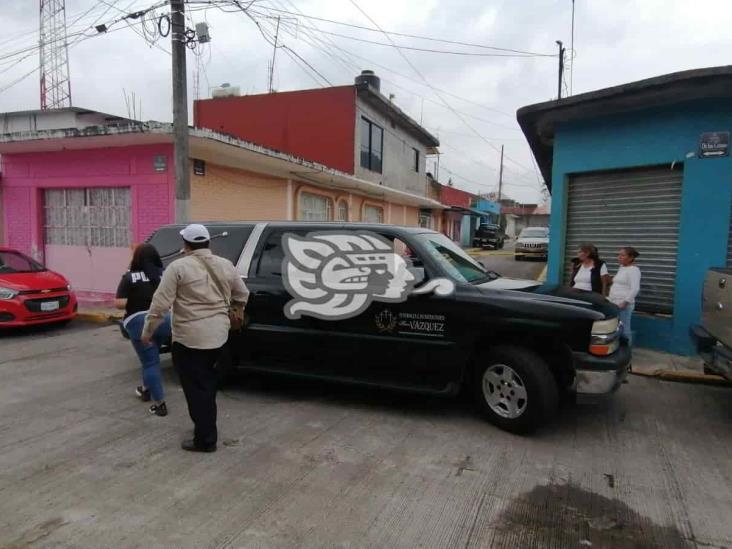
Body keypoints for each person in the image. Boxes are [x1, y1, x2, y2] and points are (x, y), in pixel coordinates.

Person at [142, 224, 249, 453]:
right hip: (219, 336)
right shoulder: (226, 265)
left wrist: (148, 332)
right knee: (207, 385)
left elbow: (160, 305)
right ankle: (206, 429)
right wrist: (234, 310)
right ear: (208, 242)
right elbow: (242, 294)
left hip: (189, 339)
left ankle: (205, 440)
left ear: (186, 244)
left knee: (196, 389)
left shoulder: (178, 267)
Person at [115, 243, 171, 417]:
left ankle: (160, 404)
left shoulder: (129, 277)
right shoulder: (163, 275)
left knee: (150, 362)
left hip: (139, 322)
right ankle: (146, 389)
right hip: (164, 320)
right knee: (153, 358)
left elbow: (119, 304)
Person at [608, 247, 641, 344]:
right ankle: (618, 349)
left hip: (624, 305)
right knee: (616, 328)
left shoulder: (634, 270)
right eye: (619, 255)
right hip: (614, 303)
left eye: (622, 255)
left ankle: (626, 353)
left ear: (630, 258)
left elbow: (635, 288)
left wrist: (625, 302)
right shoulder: (622, 268)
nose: (619, 257)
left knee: (624, 329)